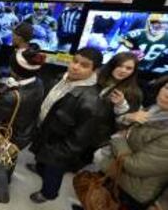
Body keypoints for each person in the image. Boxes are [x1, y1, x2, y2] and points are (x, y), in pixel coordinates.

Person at [29, 47, 107, 203]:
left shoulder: (92, 102)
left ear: (95, 70)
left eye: (84, 65)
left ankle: (48, 194)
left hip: (58, 150)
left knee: (53, 174)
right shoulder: (62, 77)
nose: (75, 66)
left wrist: (55, 155)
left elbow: (78, 141)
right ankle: (40, 167)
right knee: (43, 163)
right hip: (46, 135)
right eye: (75, 61)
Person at [0, 45, 46, 204]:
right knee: (12, 155)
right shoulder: (39, 82)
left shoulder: (11, 97)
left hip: (8, 134)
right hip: (26, 132)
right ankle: (9, 176)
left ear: (14, 69)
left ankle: (2, 195)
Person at [98, 76, 168, 210]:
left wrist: (118, 139)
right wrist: (126, 118)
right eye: (166, 88)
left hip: (131, 191)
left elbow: (136, 166)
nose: (167, 94)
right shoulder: (155, 109)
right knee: (94, 200)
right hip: (117, 174)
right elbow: (131, 134)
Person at [97, 52, 143, 131]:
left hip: (102, 132)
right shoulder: (97, 77)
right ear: (112, 65)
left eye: (128, 68)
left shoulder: (134, 93)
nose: (123, 70)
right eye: (119, 66)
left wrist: (121, 105)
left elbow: (124, 124)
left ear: (133, 71)